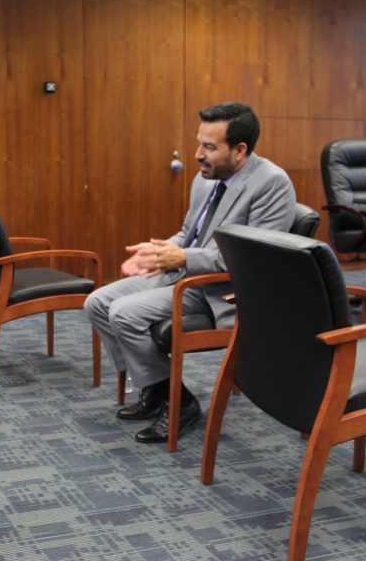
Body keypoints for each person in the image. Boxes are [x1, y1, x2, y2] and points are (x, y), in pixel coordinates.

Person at [84, 102, 296, 444]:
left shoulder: (271, 184)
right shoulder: (206, 179)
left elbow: (255, 260)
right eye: (199, 143)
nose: (198, 154)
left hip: (224, 292)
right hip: (187, 275)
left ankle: (179, 404)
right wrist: (158, 251)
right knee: (96, 303)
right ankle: (155, 387)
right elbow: (189, 233)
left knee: (123, 313)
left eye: (210, 147)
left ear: (240, 150)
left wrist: (181, 257)